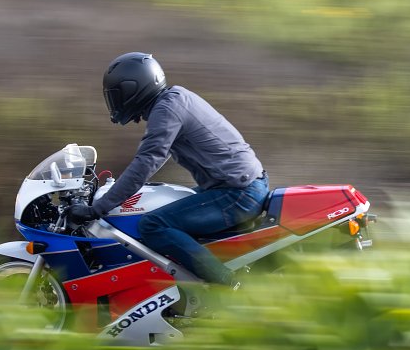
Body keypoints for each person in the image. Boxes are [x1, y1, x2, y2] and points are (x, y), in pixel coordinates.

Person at [67, 52, 268, 287]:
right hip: (237, 186)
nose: (115, 101)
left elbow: (146, 162)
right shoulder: (174, 100)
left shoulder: (167, 109)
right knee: (160, 206)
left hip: (239, 192)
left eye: (117, 94)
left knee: (152, 225)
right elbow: (151, 159)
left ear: (133, 88)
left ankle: (227, 286)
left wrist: (97, 209)